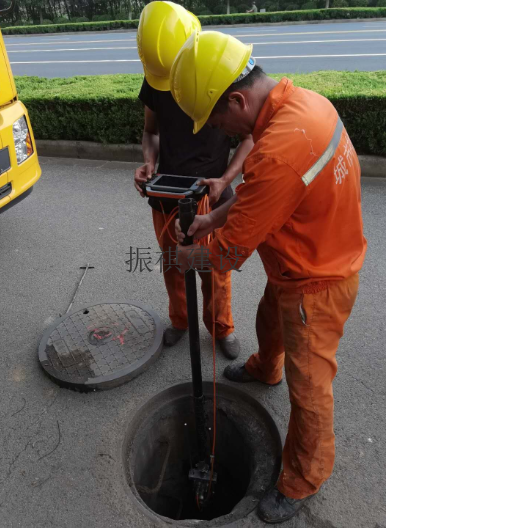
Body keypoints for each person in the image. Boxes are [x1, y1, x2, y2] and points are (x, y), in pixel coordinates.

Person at [170, 30, 367, 523]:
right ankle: (264, 367)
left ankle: (304, 477)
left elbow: (231, 251)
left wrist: (185, 256)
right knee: (269, 321)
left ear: (237, 99)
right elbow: (261, 190)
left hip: (317, 282)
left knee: (310, 388)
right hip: (306, 255)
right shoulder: (301, 107)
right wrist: (211, 218)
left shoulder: (279, 149)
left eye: (218, 119)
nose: (222, 131)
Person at [134, 2, 254, 358]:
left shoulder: (221, 72)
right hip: (166, 192)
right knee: (173, 263)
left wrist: (225, 178)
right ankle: (180, 320)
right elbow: (150, 131)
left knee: (214, 266)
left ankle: (221, 328)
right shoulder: (156, 76)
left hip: (211, 193)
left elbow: (250, 136)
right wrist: (148, 162)